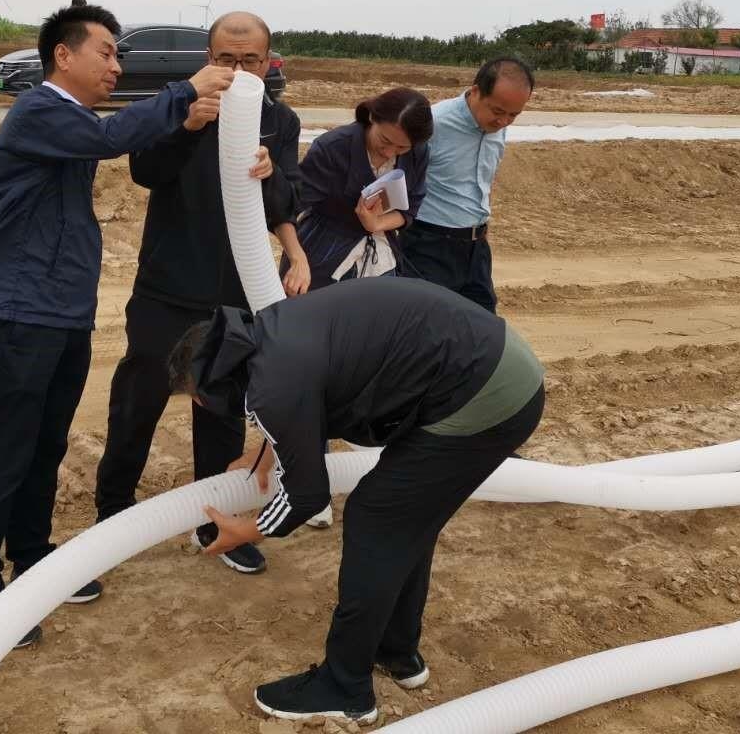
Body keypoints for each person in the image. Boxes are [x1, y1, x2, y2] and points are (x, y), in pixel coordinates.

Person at [0, 0, 235, 647]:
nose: (115, 64)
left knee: (45, 448)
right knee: (4, 457)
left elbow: (121, 140)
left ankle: (31, 557)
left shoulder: (67, 120)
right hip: (20, 316)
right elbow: (114, 140)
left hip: (60, 318)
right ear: (63, 55)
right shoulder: (40, 111)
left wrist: (183, 121)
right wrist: (186, 88)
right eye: (106, 51)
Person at [168, 277, 545, 724]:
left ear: (215, 384)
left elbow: (307, 496)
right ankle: (396, 650)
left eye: (199, 400)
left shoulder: (274, 384)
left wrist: (247, 531)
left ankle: (344, 686)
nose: (205, 409)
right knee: (406, 514)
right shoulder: (267, 334)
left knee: (376, 513)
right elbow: (313, 392)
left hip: (482, 394)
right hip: (497, 368)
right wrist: (267, 451)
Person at [94, 11, 309, 576]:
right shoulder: (179, 106)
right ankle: (111, 516)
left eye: (250, 61)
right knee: (139, 400)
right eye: (225, 59)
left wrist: (272, 174)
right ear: (208, 59)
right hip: (168, 285)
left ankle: (215, 521)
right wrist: (188, 126)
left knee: (221, 410)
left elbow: (288, 203)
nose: (238, 71)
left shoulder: (279, 122)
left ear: (268, 62)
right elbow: (145, 171)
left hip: (237, 293)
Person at [401, 57, 534, 314]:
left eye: (513, 115)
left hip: (476, 249)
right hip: (428, 246)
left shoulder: (498, 127)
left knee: (482, 329)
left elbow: (484, 181)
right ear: (475, 91)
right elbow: (397, 181)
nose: (504, 121)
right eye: (497, 111)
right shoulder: (434, 123)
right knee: (428, 329)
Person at [290, 87, 433, 291]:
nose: (389, 152)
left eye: (402, 148)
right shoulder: (333, 147)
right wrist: (297, 258)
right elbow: (291, 208)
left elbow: (410, 207)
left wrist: (377, 223)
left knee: (374, 318)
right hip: (323, 249)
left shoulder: (418, 152)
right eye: (385, 141)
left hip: (381, 255)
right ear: (373, 117)